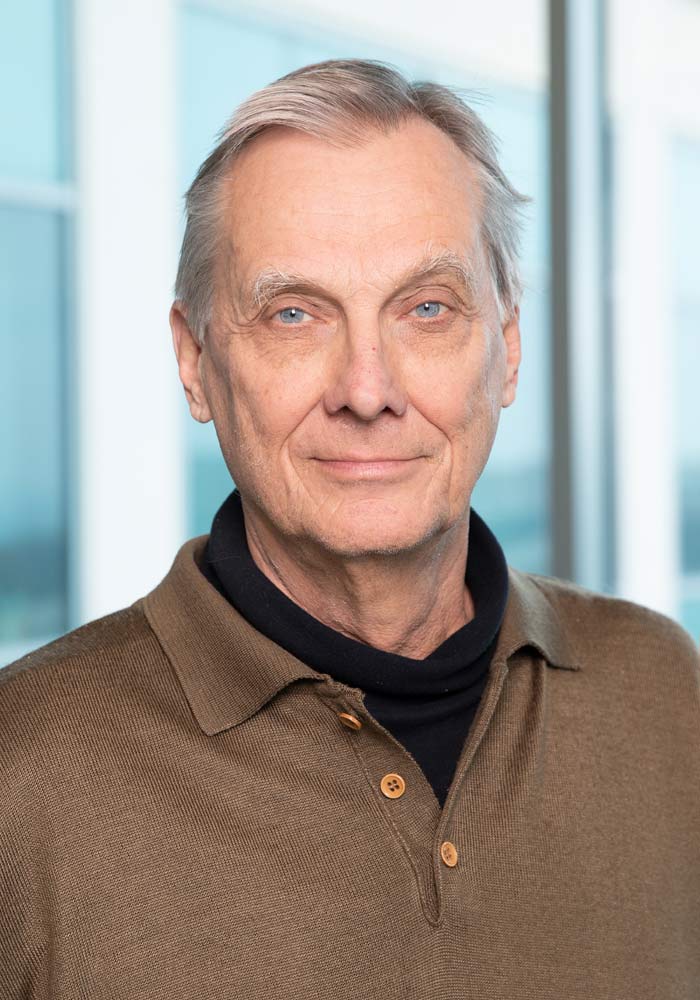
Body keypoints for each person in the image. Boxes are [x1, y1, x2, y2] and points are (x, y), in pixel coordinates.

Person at [1, 58, 699, 1000]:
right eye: (294, 314)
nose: (367, 390)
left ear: (508, 350)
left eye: (427, 309)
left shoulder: (664, 696)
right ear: (197, 361)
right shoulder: (23, 771)